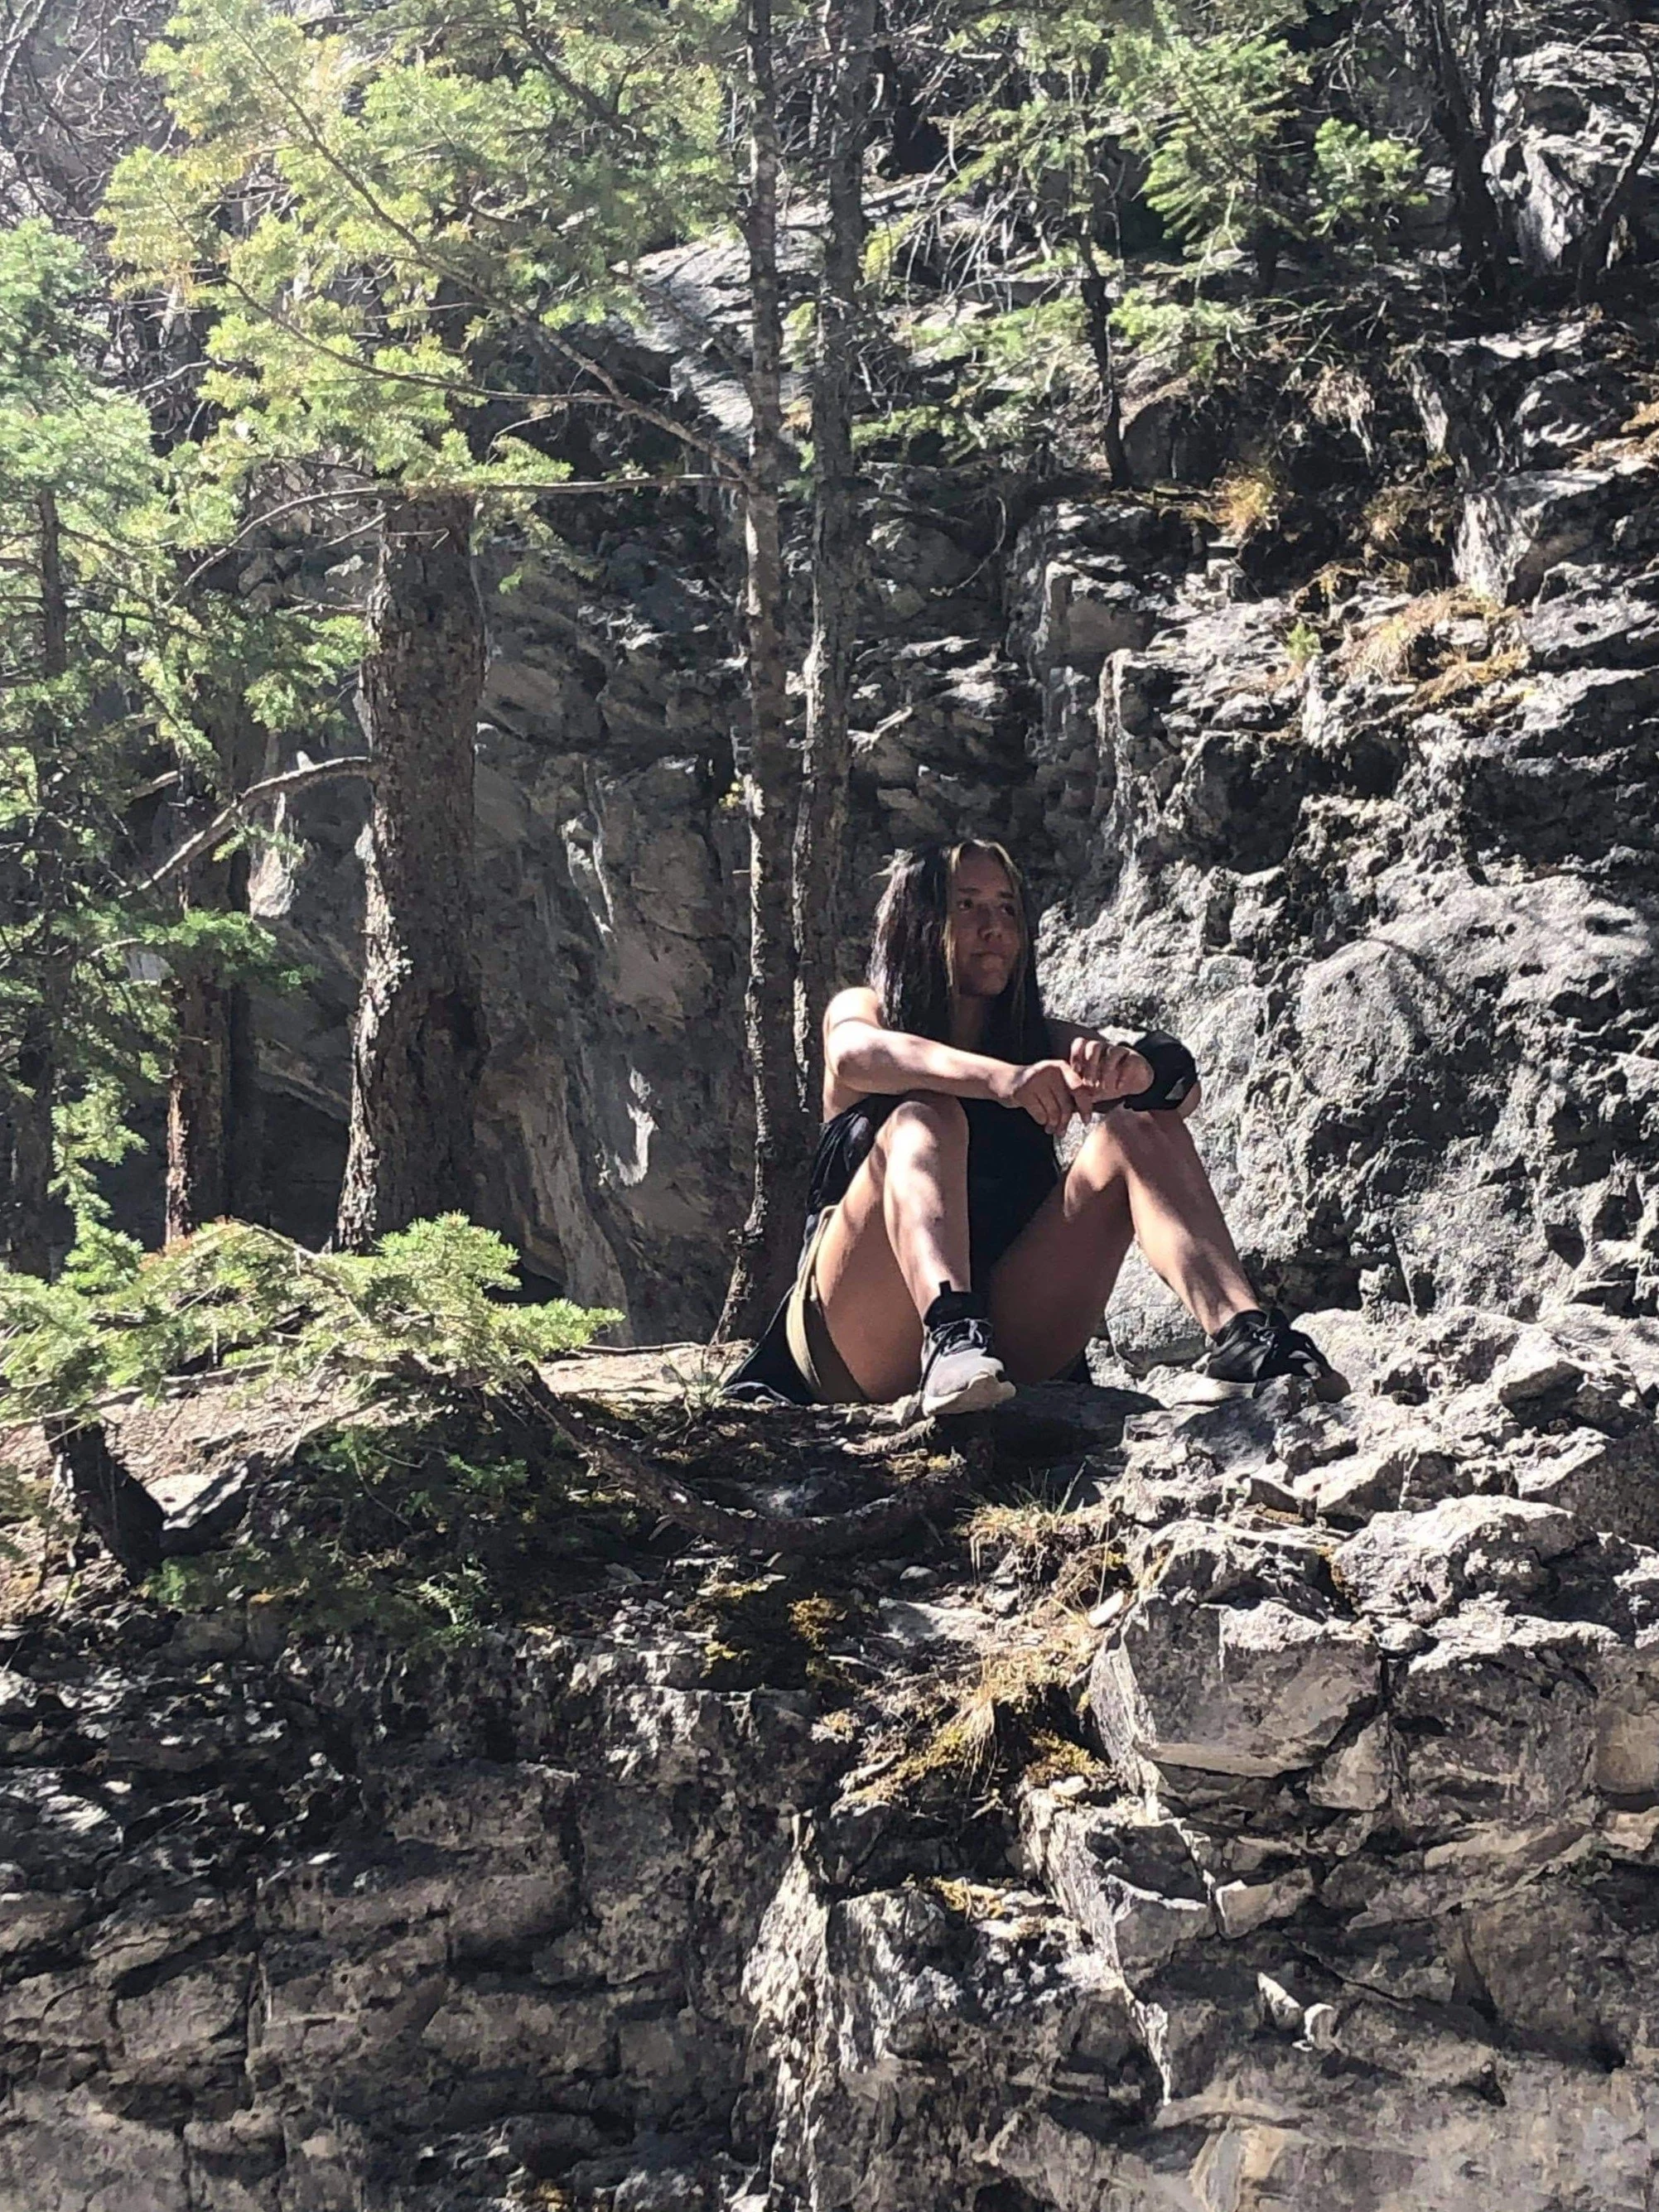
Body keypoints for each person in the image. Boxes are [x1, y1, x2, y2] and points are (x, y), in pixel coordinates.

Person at [727, 838, 1342, 1417]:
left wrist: (1132, 1072)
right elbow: (853, 1055)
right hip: (856, 1339)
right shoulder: (867, 1010)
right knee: (925, 1115)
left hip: (1010, 1339)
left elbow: (1178, 1092)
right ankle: (949, 1334)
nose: (993, 927)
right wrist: (1001, 1080)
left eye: (1006, 908)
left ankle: (1245, 1338)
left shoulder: (1040, 1039)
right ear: (918, 921)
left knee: (1136, 1129)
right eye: (966, 905)